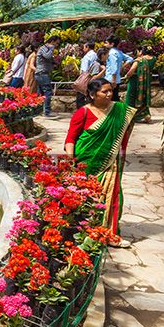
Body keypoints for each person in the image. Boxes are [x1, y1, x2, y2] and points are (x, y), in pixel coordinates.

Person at [64, 78, 136, 246]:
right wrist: (70, 160)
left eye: (110, 90)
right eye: (105, 91)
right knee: (88, 199)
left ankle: (109, 234)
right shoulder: (83, 112)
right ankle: (86, 233)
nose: (110, 94)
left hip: (109, 161)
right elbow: (71, 138)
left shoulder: (119, 110)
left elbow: (126, 127)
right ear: (92, 94)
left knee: (113, 196)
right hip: (85, 162)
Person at [124, 45, 153, 123]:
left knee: (130, 98)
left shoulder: (139, 60)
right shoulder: (153, 59)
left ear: (141, 52)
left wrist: (126, 76)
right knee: (143, 97)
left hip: (134, 82)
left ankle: (128, 116)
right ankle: (146, 115)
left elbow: (132, 70)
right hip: (146, 82)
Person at [35, 35, 59, 116]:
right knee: (47, 92)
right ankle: (46, 112)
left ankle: (39, 111)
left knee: (41, 94)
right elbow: (47, 56)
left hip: (41, 74)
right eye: (56, 43)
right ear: (52, 41)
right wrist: (52, 48)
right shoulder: (44, 48)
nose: (57, 45)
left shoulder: (45, 49)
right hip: (42, 74)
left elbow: (48, 59)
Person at [76, 41, 104, 110]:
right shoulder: (96, 55)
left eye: (84, 47)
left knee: (80, 98)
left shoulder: (86, 57)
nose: (83, 49)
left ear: (87, 47)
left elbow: (84, 70)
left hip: (86, 79)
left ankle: (81, 113)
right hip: (95, 78)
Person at [104, 35, 133, 101]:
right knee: (115, 96)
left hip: (111, 79)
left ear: (112, 44)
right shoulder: (119, 52)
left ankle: (117, 110)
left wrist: (113, 80)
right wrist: (122, 67)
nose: (105, 44)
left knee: (111, 98)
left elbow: (113, 68)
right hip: (117, 78)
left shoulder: (111, 53)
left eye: (107, 43)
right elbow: (130, 59)